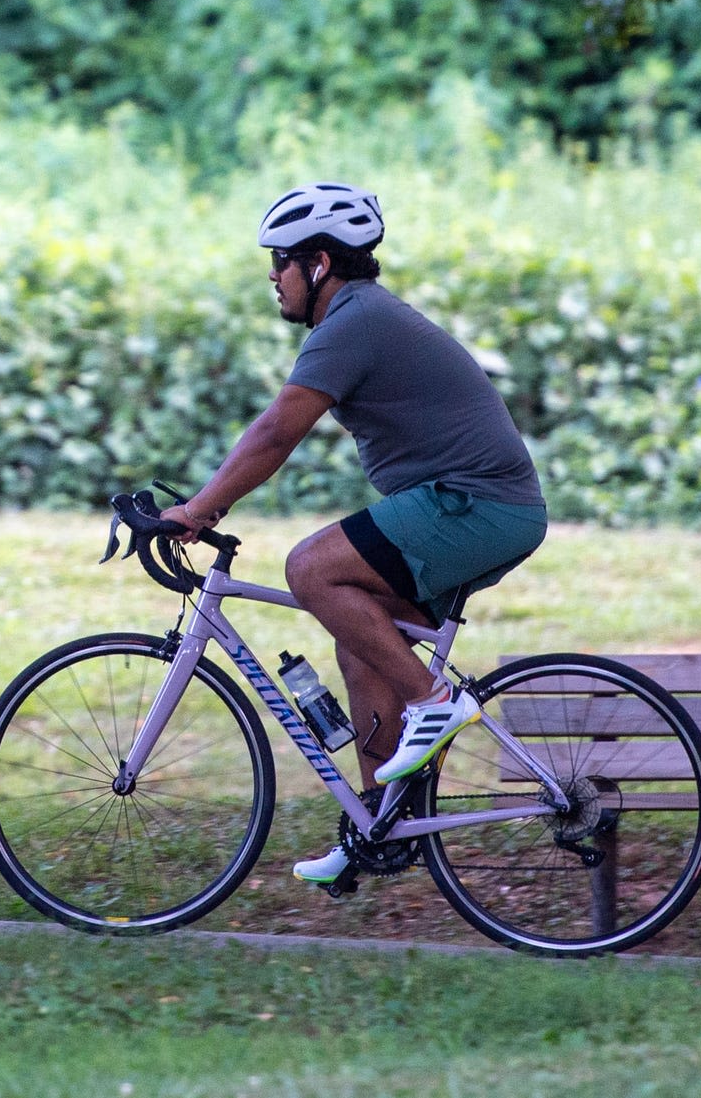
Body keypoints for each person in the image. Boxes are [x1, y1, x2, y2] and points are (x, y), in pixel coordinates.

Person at [158, 180, 547, 887]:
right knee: (360, 636)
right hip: (478, 505)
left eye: (280, 260)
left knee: (311, 569)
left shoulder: (355, 320)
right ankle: (381, 826)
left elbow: (279, 430)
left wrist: (199, 508)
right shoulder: (357, 317)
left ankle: (436, 703)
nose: (272, 276)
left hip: (477, 503)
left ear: (321, 263)